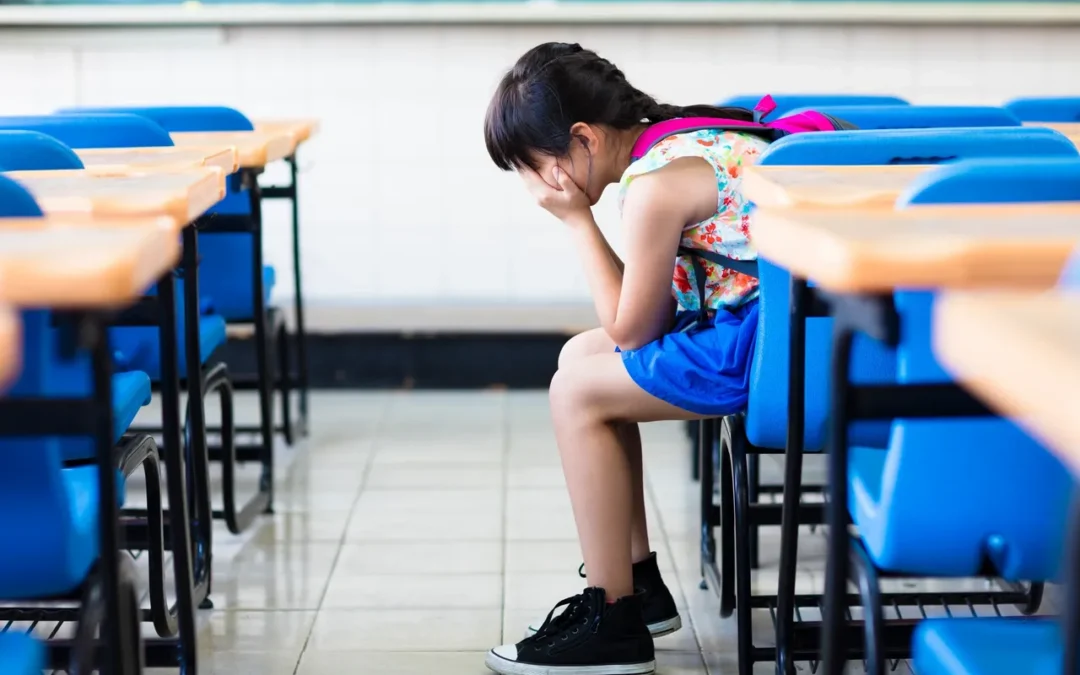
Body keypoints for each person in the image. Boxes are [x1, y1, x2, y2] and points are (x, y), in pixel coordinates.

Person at [482, 42, 767, 675]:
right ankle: (638, 584)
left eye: (532, 165)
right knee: (581, 353)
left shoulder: (655, 186)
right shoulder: (684, 138)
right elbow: (644, 316)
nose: (532, 186)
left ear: (581, 138)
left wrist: (578, 223)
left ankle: (610, 621)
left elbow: (635, 331)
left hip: (766, 345)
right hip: (785, 323)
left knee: (576, 391)